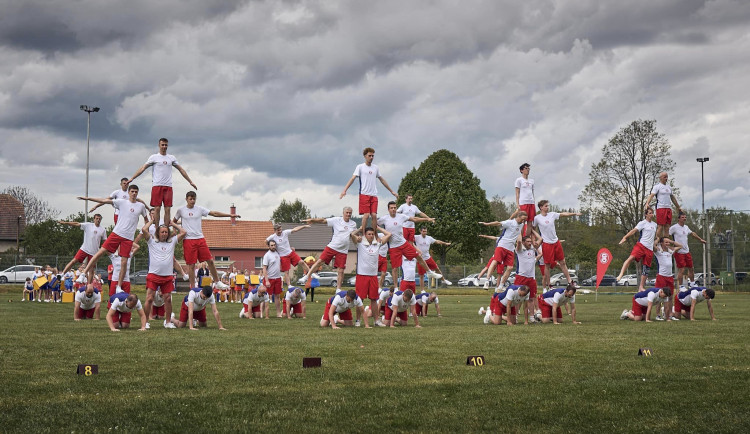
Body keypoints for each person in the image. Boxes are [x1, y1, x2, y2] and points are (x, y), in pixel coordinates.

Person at [78, 185, 149, 292]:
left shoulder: (141, 206)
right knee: (100, 252)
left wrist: (147, 230)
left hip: (128, 238)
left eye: (136, 192)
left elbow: (146, 220)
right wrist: (88, 199)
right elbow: (105, 200)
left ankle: (119, 287)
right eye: (132, 191)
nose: (134, 193)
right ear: (128, 193)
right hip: (116, 233)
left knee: (124, 262)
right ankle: (83, 274)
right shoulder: (121, 202)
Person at [172, 191, 235, 292]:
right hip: (188, 240)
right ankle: (193, 287)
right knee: (191, 265)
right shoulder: (181, 210)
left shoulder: (200, 209)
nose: (192, 201)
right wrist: (176, 232)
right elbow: (173, 221)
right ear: (186, 199)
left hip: (200, 238)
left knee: (210, 260)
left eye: (194, 199)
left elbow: (214, 213)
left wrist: (230, 215)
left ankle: (217, 282)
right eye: (190, 199)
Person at [127, 137, 197, 227]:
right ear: (159, 145)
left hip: (168, 186)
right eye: (162, 145)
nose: (164, 146)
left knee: (167, 209)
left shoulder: (171, 158)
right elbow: (143, 168)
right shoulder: (154, 157)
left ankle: (165, 229)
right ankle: (157, 230)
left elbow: (181, 169)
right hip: (157, 186)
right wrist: (132, 178)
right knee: (157, 208)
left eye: (166, 145)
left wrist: (190, 181)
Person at [378, 201, 442, 283]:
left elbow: (414, 219)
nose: (393, 209)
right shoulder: (384, 219)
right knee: (395, 268)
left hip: (403, 243)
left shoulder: (401, 216)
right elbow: (375, 224)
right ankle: (396, 288)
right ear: (388, 209)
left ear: (396, 208)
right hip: (393, 247)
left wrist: (427, 219)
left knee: (418, 256)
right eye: (391, 208)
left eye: (395, 208)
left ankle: (429, 272)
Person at [340, 146, 398, 233]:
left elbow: (382, 180)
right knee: (366, 215)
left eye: (372, 156)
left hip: (374, 194)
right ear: (365, 156)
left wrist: (392, 191)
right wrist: (345, 190)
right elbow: (352, 178)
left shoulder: (375, 168)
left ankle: (375, 235)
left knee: (374, 215)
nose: (371, 157)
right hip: (364, 194)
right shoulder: (360, 167)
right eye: (369, 155)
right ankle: (363, 234)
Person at [141, 219, 187, 329]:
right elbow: (143, 229)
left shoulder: (172, 242)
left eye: (166, 232)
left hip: (167, 276)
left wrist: (173, 224)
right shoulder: (151, 241)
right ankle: (145, 322)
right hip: (153, 275)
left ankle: (167, 322)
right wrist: (152, 220)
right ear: (158, 233)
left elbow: (184, 233)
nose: (164, 234)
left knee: (167, 299)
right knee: (149, 298)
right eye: (162, 232)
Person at [302, 207, 358, 291]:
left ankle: (338, 289)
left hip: (343, 250)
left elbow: (353, 236)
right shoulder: (336, 220)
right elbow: (323, 221)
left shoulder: (353, 224)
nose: (348, 214)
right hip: (332, 246)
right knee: (320, 261)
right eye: (347, 212)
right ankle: (307, 276)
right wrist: (313, 220)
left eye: (350, 213)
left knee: (341, 270)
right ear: (343, 213)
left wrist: (358, 239)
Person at [532, 200, 581, 290]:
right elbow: (532, 229)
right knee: (547, 265)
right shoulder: (537, 218)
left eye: (548, 206)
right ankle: (549, 285)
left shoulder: (552, 214)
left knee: (563, 262)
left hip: (556, 242)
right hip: (546, 244)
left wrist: (574, 214)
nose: (548, 207)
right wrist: (535, 239)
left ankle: (570, 282)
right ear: (541, 207)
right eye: (546, 206)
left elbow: (563, 214)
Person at [350, 225, 392, 327]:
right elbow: (352, 234)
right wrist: (360, 230)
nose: (371, 236)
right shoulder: (360, 243)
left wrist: (377, 228)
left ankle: (376, 320)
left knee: (374, 299)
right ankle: (358, 320)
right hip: (362, 275)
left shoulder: (377, 243)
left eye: (372, 234)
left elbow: (389, 234)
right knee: (360, 299)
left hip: (373, 276)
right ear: (365, 235)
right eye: (369, 234)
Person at [478, 209, 527, 290]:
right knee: (495, 262)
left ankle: (501, 285)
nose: (523, 221)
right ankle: (487, 281)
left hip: (511, 248)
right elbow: (498, 223)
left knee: (510, 268)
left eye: (525, 219)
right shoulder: (510, 222)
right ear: (518, 217)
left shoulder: (521, 225)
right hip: (502, 245)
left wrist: (520, 243)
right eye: (522, 219)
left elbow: (519, 235)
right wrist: (486, 224)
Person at [616, 208, 658, 291]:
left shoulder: (655, 225)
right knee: (631, 258)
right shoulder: (642, 223)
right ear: (646, 215)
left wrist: (656, 243)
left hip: (649, 250)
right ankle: (621, 274)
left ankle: (641, 287)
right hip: (641, 246)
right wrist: (625, 237)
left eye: (652, 213)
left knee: (646, 269)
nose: (651, 214)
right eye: (650, 213)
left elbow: (657, 237)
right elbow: (633, 231)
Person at [58, 214, 108, 285]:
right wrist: (66, 223)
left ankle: (89, 285)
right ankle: (62, 275)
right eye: (97, 218)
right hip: (84, 249)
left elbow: (105, 241)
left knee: (91, 270)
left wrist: (102, 251)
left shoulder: (103, 230)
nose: (98, 220)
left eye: (99, 219)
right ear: (94, 219)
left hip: (94, 252)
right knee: (73, 261)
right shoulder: (88, 225)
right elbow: (76, 224)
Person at [266, 223, 312, 290]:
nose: (280, 231)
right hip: (283, 256)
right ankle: (289, 285)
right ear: (275, 230)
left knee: (302, 262)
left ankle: (311, 273)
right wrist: (273, 249)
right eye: (278, 230)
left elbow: (295, 229)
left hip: (290, 253)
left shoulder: (285, 233)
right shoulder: (273, 237)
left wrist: (304, 226)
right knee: (286, 272)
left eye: (280, 229)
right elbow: (266, 241)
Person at [669, 212, 707, 286]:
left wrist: (700, 239)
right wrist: (671, 246)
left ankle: (692, 284)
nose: (684, 218)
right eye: (682, 217)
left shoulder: (686, 227)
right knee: (682, 270)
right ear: (679, 218)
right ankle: (681, 286)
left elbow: (692, 234)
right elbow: (667, 235)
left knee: (691, 268)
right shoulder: (674, 227)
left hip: (687, 251)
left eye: (685, 217)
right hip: (679, 252)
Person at [652, 237, 683, 321]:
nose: (668, 243)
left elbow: (681, 246)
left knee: (670, 296)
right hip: (661, 276)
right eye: (666, 242)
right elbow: (652, 245)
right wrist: (658, 239)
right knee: (659, 296)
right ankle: (658, 315)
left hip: (670, 277)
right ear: (661, 243)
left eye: (668, 242)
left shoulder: (670, 250)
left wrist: (671, 241)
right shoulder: (658, 251)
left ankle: (669, 315)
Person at [644, 172, 682, 238]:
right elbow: (652, 195)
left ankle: (665, 243)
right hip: (661, 208)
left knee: (667, 226)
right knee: (660, 226)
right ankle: (658, 242)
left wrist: (678, 207)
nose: (666, 178)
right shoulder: (657, 187)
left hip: (668, 208)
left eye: (667, 177)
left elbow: (672, 197)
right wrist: (647, 203)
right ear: (660, 178)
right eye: (664, 177)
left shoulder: (669, 187)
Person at [514, 235, 542, 323]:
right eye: (528, 241)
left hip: (531, 279)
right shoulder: (520, 250)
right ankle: (515, 316)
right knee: (517, 298)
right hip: (521, 277)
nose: (530, 243)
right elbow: (518, 242)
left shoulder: (533, 251)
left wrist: (536, 246)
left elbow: (540, 252)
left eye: (530, 241)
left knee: (531, 298)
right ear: (523, 243)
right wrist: (518, 228)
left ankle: (532, 318)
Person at [261, 240, 284, 317]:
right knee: (265, 296)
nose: (273, 246)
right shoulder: (267, 255)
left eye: (274, 245)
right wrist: (267, 280)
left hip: (277, 278)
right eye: (271, 245)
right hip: (269, 278)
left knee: (277, 296)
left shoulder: (278, 253)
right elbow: (264, 268)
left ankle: (278, 313)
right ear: (268, 246)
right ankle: (261, 313)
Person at [515, 163, 535, 236]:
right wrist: (517, 204)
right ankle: (520, 238)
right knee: (522, 222)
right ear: (521, 170)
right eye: (526, 168)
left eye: (528, 168)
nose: (528, 170)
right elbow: (517, 193)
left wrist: (534, 202)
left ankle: (527, 238)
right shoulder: (519, 180)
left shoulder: (532, 181)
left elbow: (532, 192)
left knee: (530, 222)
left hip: (531, 203)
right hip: (523, 203)